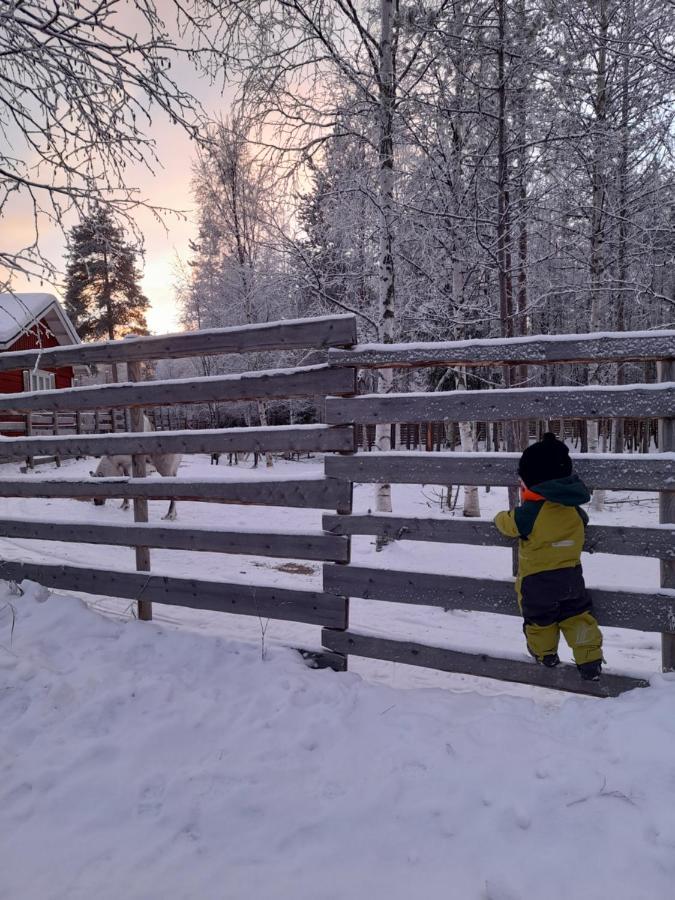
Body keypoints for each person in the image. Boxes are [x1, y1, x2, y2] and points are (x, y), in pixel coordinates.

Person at [494, 432, 604, 681]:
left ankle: (546, 654)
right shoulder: (573, 510)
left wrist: (499, 517)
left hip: (537, 582)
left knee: (539, 620)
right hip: (570, 577)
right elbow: (583, 522)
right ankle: (589, 658)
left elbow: (507, 524)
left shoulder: (529, 513)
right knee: (577, 616)